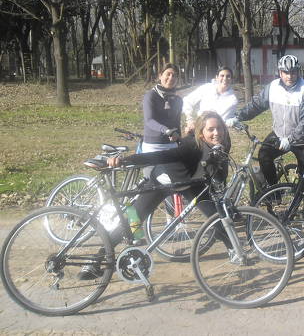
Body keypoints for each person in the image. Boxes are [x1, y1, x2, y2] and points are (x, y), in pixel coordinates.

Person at [78, 111, 233, 280]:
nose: (216, 133)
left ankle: (235, 251)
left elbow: (218, 174)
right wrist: (126, 160)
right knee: (132, 221)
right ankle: (96, 261)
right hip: (163, 180)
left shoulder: (223, 144)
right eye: (211, 129)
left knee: (216, 214)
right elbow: (161, 155)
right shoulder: (191, 145)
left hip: (190, 183)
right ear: (202, 133)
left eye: (219, 128)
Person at [227, 55, 304, 190]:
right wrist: (238, 116)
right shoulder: (273, 87)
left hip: (303, 139)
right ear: (280, 72)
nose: (289, 76)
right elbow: (256, 105)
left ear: (298, 72)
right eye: (285, 72)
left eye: (293, 72)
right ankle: (274, 192)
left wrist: (290, 139)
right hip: (279, 133)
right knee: (264, 155)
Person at [182, 66, 238, 133]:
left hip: (216, 132)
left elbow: (224, 120)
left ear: (231, 79)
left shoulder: (232, 100)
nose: (225, 78)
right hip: (198, 128)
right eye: (222, 76)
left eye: (228, 76)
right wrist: (189, 120)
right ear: (217, 77)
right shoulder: (207, 88)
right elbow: (187, 100)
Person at [141, 63, 183, 153]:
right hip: (153, 145)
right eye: (168, 74)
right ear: (160, 76)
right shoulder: (150, 96)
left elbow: (177, 123)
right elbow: (149, 120)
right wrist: (167, 130)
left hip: (172, 145)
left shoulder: (178, 100)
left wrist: (179, 139)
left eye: (174, 75)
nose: (171, 78)